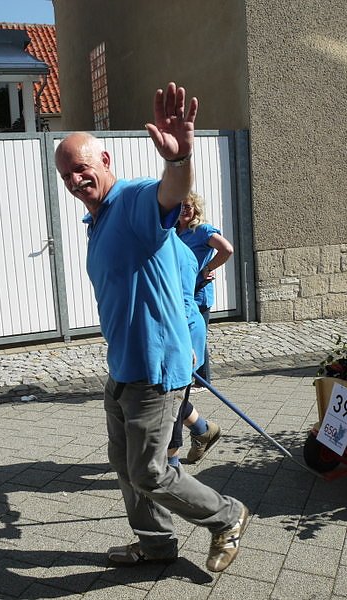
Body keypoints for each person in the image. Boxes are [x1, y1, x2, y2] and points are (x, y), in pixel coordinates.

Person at [54, 83, 248, 573]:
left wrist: (180, 159)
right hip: (121, 370)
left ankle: (226, 516)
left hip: (156, 371)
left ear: (104, 158)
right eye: (66, 174)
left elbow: (170, 192)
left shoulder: (135, 200)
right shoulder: (96, 221)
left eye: (82, 167)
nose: (76, 179)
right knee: (125, 471)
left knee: (150, 471)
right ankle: (157, 546)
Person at [167, 234, 221, 467]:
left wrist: (184, 344)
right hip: (171, 332)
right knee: (172, 399)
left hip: (184, 331)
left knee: (170, 401)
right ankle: (202, 430)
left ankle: (171, 466)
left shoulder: (179, 254)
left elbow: (184, 303)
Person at [176, 192, 234, 388]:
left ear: (195, 210)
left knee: (199, 335)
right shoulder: (174, 231)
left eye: (188, 206)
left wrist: (208, 268)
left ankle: (202, 382)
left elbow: (227, 249)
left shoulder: (202, 230)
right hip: (180, 293)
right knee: (184, 335)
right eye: (181, 206)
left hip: (198, 292)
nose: (184, 210)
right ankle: (188, 377)